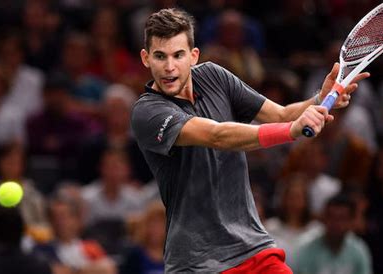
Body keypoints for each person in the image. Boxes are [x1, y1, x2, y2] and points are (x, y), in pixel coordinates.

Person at [130, 8, 369, 273]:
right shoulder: (148, 112)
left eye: (178, 55)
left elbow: (279, 113)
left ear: (193, 56)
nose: (169, 67)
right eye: (160, 56)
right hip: (198, 262)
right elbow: (216, 135)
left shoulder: (214, 76)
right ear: (146, 58)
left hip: (253, 247)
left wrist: (317, 99)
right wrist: (291, 130)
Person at [293, 193, 373, 274]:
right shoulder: (308, 250)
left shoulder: (359, 250)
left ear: (351, 221)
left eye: (342, 218)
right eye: (331, 217)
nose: (336, 223)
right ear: (323, 219)